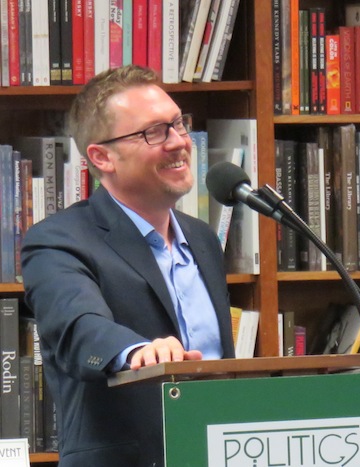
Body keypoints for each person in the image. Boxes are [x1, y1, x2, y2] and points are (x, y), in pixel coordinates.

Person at [21, 65, 235, 467]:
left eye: (178, 124)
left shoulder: (202, 239)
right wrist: (137, 350)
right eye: (154, 132)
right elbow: (77, 326)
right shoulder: (58, 240)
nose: (178, 143)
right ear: (102, 157)